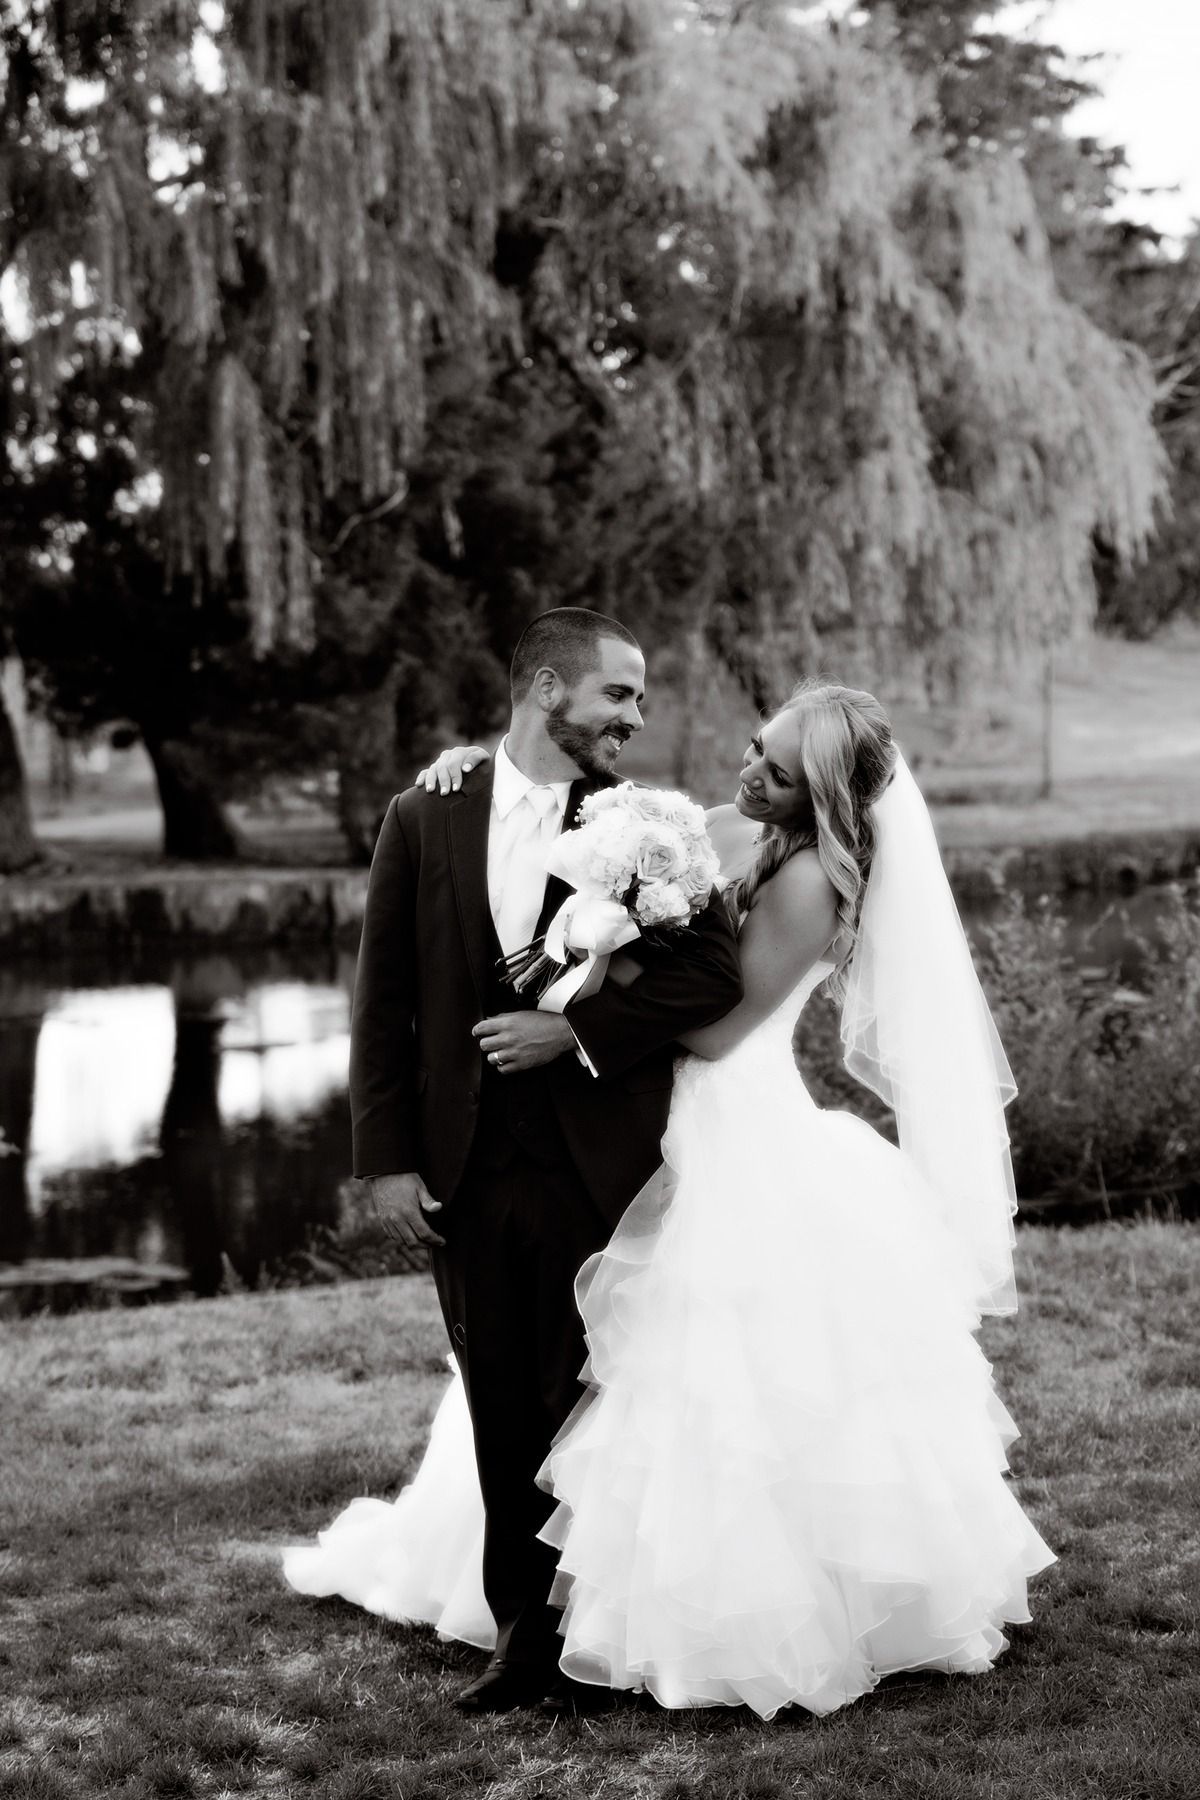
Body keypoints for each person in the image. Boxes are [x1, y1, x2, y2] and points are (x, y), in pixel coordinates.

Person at [288, 679, 1055, 1718]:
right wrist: (469, 768)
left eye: (777, 771)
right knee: (573, 1359)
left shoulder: (816, 882)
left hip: (727, 1128)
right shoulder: (718, 826)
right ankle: (544, 1605)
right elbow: (576, 817)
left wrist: (613, 959)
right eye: (755, 746)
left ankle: (696, 1614)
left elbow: (716, 1028)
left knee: (703, 1384)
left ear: (823, 795)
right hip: (626, 1117)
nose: (750, 771)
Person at [283, 608, 744, 1716]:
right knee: (501, 1403)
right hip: (469, 1168)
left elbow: (708, 979)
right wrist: (385, 1162)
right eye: (618, 696)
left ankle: (613, 1625)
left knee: (597, 1397)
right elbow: (382, 1002)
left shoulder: (651, 826)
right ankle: (524, 1642)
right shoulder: (424, 813)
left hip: (605, 1162)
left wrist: (574, 1035)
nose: (635, 717)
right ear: (547, 688)